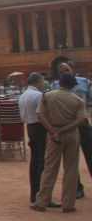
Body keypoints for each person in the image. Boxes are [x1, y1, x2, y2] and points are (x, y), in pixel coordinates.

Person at [31, 72, 88, 213]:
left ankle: (42, 202)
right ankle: (68, 204)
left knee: (50, 168)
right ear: (73, 85)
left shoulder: (47, 95)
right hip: (71, 134)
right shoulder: (78, 100)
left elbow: (40, 115)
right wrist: (64, 130)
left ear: (60, 83)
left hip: (53, 134)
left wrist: (53, 131)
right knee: (71, 169)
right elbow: (81, 120)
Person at [52, 61, 92, 199]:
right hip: (67, 126)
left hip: (83, 124)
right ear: (59, 74)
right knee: (71, 160)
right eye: (62, 71)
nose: (65, 72)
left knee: (91, 154)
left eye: (67, 69)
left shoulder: (85, 82)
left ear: (72, 70)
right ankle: (77, 188)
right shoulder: (55, 86)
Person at [19, 73, 59, 207]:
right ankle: (42, 196)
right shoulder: (38, 95)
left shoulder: (23, 95)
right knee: (42, 163)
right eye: (42, 81)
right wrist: (52, 130)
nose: (44, 83)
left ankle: (35, 194)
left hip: (30, 127)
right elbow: (42, 114)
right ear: (37, 82)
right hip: (40, 128)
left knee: (35, 162)